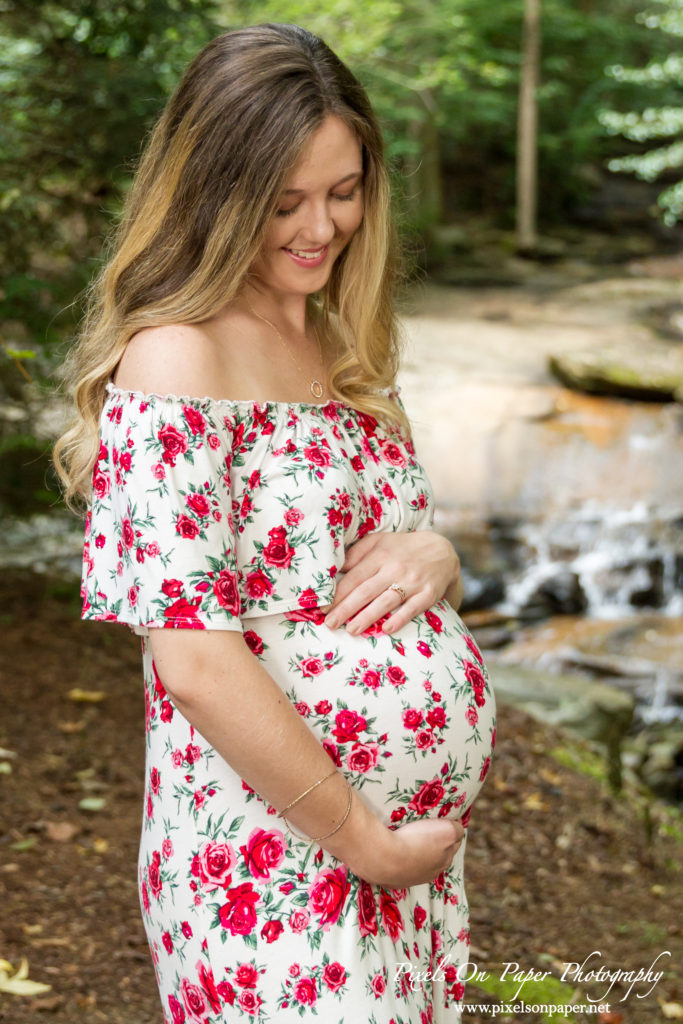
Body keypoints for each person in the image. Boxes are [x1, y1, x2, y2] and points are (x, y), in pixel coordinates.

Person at [53, 22, 495, 1024]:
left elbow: (379, 561)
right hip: (272, 864)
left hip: (389, 865)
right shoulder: (178, 357)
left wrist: (437, 553)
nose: (320, 226)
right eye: (283, 201)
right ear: (216, 194)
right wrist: (364, 841)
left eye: (343, 191)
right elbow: (195, 661)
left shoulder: (336, 336)